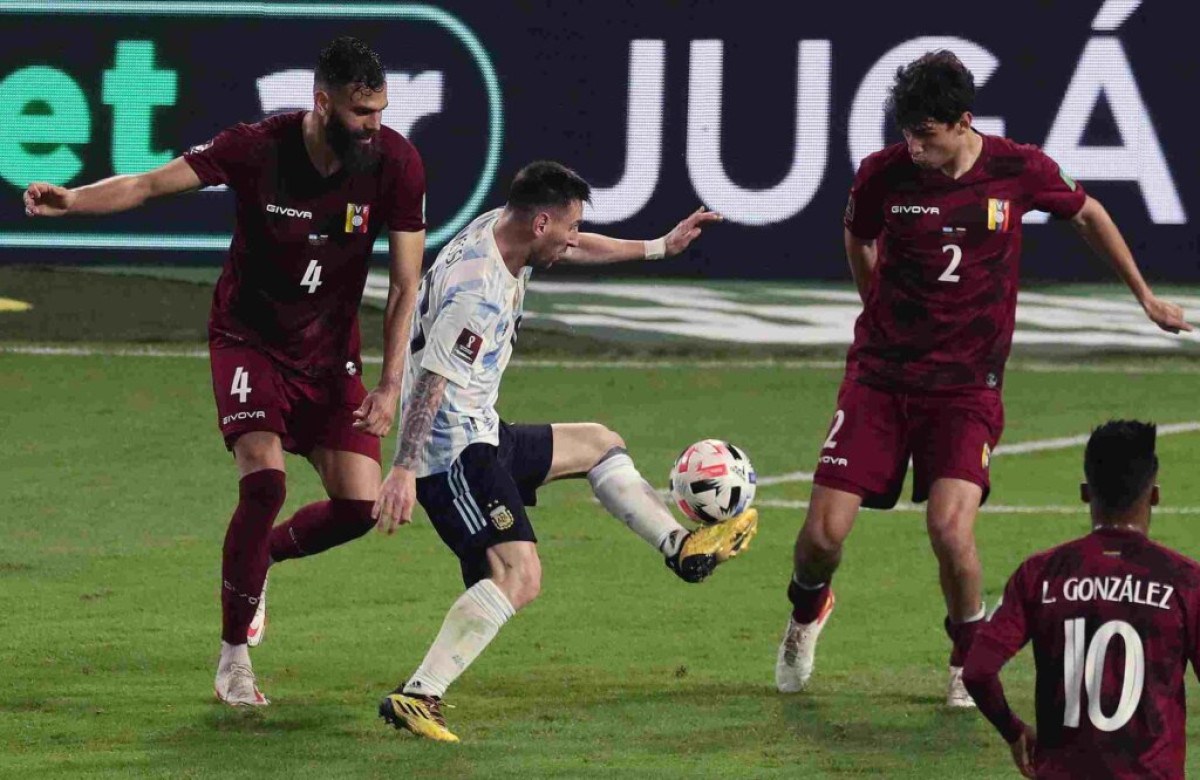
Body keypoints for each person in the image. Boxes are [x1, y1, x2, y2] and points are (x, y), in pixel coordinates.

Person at [774, 50, 1192, 706]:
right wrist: (873, 305)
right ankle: (806, 615)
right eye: (906, 132)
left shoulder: (1017, 168)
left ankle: (966, 657)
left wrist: (1143, 295)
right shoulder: (884, 175)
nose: (913, 146)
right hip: (881, 376)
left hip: (967, 385)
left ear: (964, 122)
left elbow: (1086, 213)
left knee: (949, 527)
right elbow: (857, 237)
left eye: (927, 134)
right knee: (823, 535)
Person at [22, 37, 427, 706]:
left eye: (381, 110)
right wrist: (73, 200)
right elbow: (151, 183)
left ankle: (257, 559)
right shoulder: (257, 148)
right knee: (263, 480)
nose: (374, 125)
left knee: (358, 507)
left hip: (329, 354)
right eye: (361, 112)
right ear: (323, 102)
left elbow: (407, 283)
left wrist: (390, 384)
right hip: (249, 339)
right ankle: (234, 655)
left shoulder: (396, 165)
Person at [371, 160, 757, 742]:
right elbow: (430, 380)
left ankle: (681, 548)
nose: (575, 238)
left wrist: (658, 248)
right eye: (570, 226)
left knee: (600, 445)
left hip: (483, 432)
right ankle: (418, 695)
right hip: (451, 457)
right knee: (519, 576)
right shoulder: (477, 291)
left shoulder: (505, 231)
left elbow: (572, 249)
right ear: (542, 221)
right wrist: (402, 469)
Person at [963, 420, 1200, 778]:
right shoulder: (1185, 579)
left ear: (1086, 492)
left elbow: (978, 671)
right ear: (1154, 494)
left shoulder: (1040, 573)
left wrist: (1013, 730)